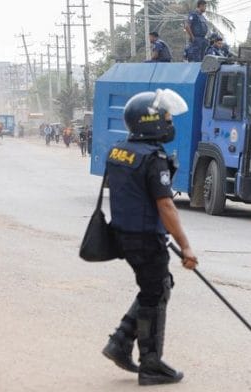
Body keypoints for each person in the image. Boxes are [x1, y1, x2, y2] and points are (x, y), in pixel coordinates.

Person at [102, 89, 197, 386]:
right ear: (150, 122)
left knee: (156, 287)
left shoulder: (119, 150)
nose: (169, 123)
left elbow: (131, 194)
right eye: (165, 118)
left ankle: (119, 342)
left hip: (126, 234)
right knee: (155, 294)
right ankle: (151, 364)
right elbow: (166, 205)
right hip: (144, 237)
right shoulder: (153, 158)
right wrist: (185, 246)